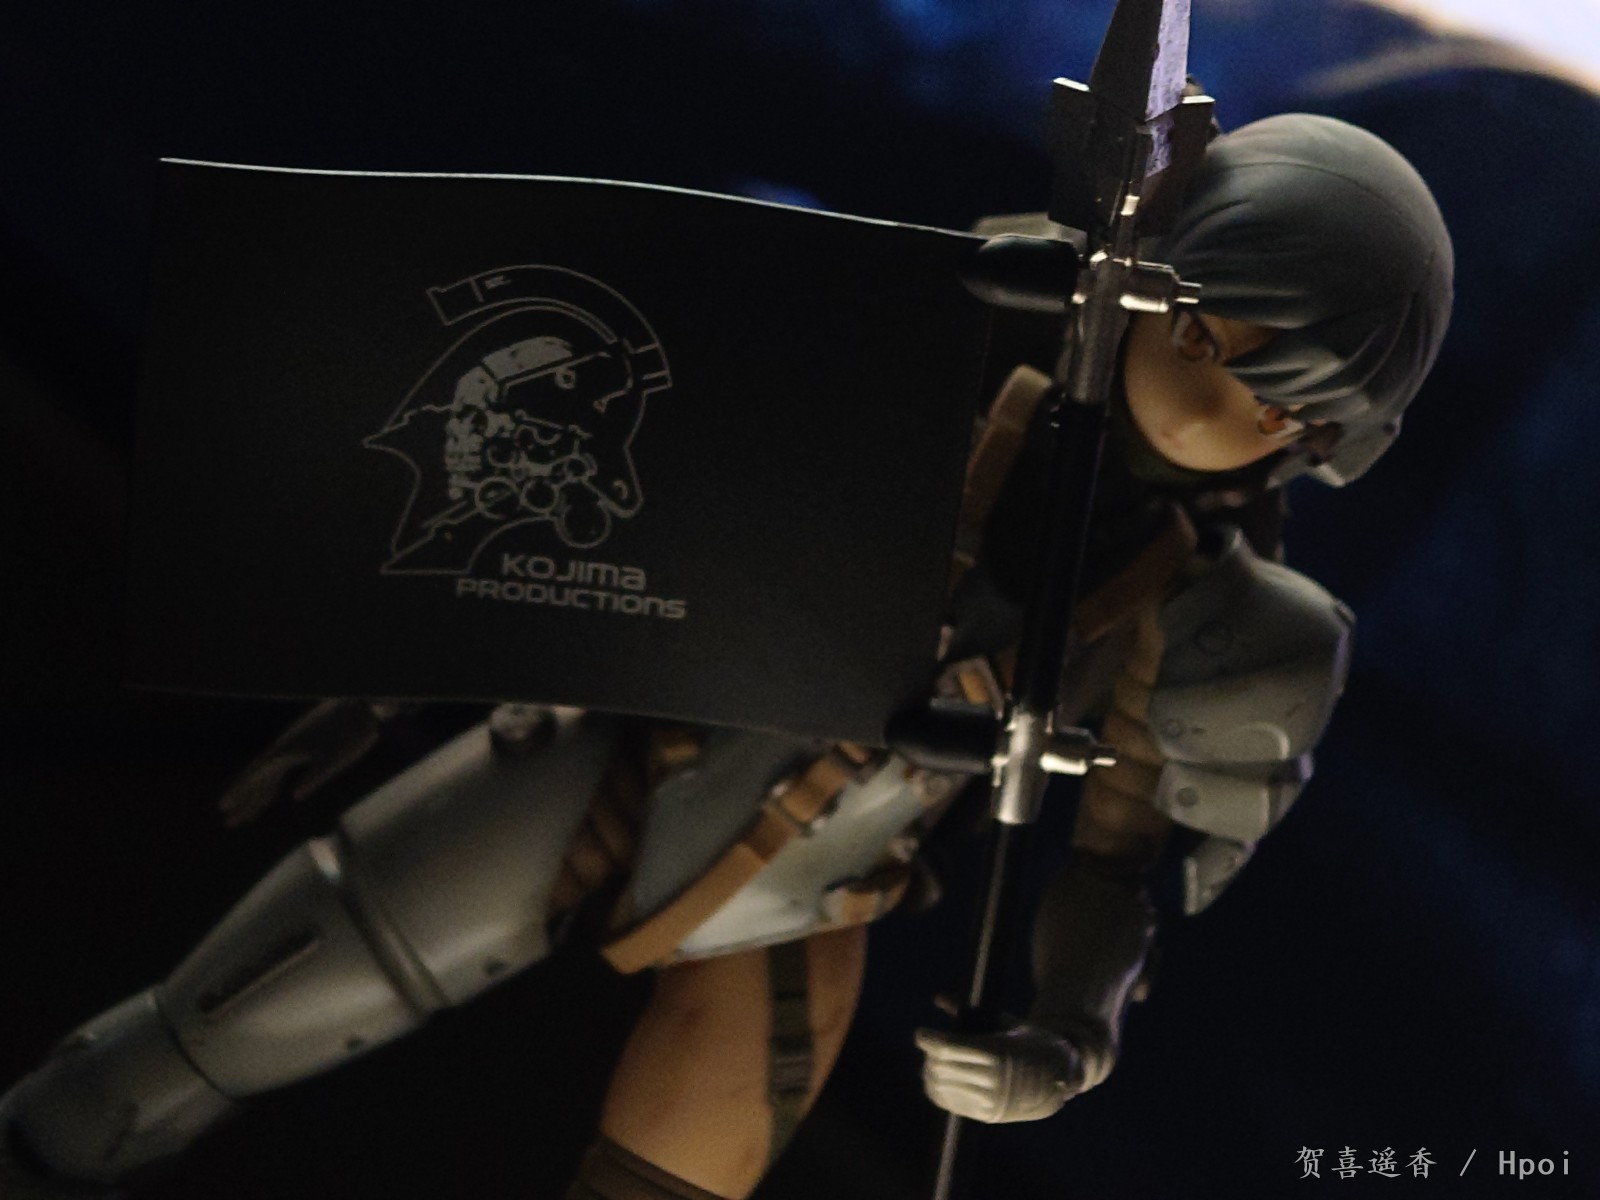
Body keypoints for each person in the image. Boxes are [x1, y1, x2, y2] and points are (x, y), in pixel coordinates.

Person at [0, 113, 1451, 1200]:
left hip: (806, 884)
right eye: (1209, 334)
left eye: (1288, 404)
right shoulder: (927, 350)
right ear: (1150, 279)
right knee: (189, 1047)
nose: (1229, 402)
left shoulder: (1221, 627)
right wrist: (382, 662)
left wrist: (1067, 1037)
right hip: (624, 744)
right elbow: (607, 491)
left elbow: (1115, 868)